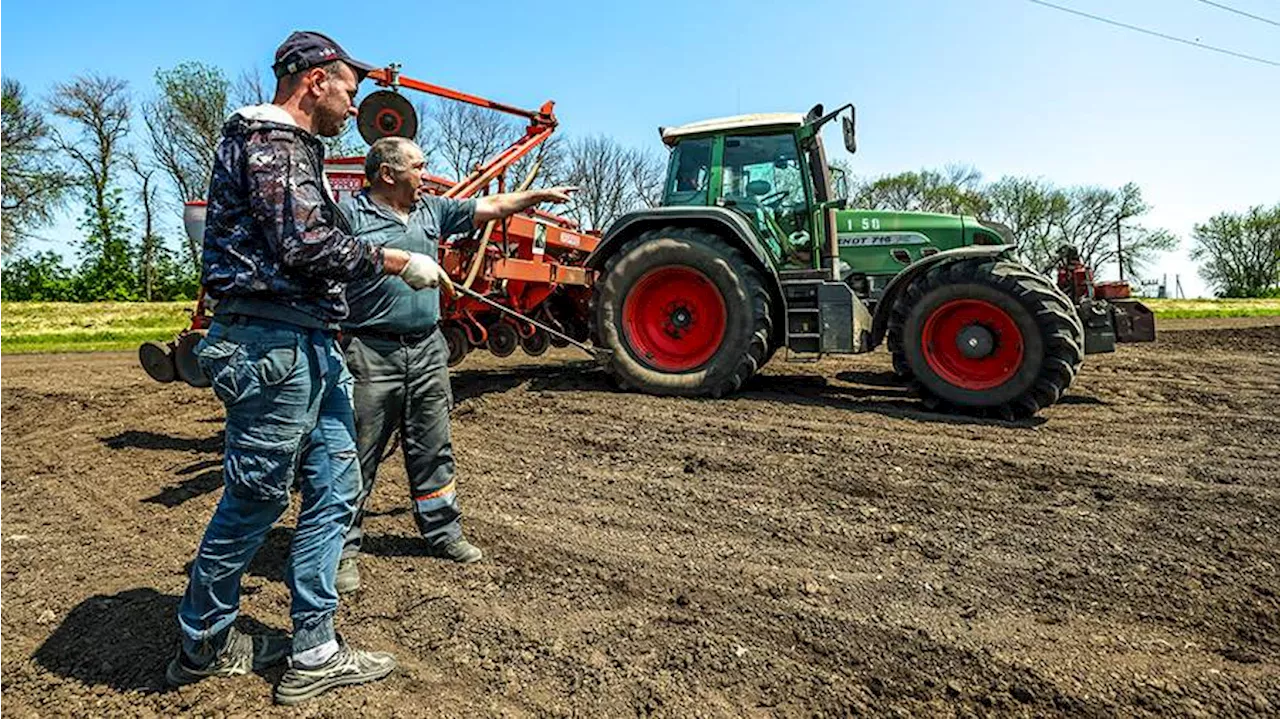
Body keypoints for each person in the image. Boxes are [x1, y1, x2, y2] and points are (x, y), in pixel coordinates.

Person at [167, 31, 451, 706]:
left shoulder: (296, 152)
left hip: (309, 342)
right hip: (271, 347)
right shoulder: (272, 141)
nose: (356, 106)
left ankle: (316, 647)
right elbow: (303, 241)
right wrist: (395, 260)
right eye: (350, 90)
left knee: (335, 487)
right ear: (315, 80)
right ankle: (202, 639)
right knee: (260, 494)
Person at [335, 136, 575, 591]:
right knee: (355, 455)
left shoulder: (433, 210)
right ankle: (342, 551)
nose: (425, 174)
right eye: (418, 167)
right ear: (388, 173)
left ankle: (442, 533)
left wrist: (537, 197)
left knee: (433, 447)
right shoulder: (348, 216)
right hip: (370, 352)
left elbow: (493, 204)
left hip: (427, 349)